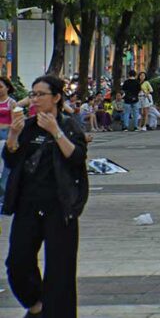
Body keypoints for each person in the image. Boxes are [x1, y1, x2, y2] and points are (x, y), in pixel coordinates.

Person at [3, 75, 89, 317]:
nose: (35, 99)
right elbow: (11, 160)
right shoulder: (27, 127)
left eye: (41, 94)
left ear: (57, 97)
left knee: (60, 270)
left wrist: (55, 131)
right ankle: (36, 306)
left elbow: (76, 158)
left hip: (60, 206)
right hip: (28, 205)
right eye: (33, 94)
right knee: (17, 263)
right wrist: (12, 137)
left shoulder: (69, 125)